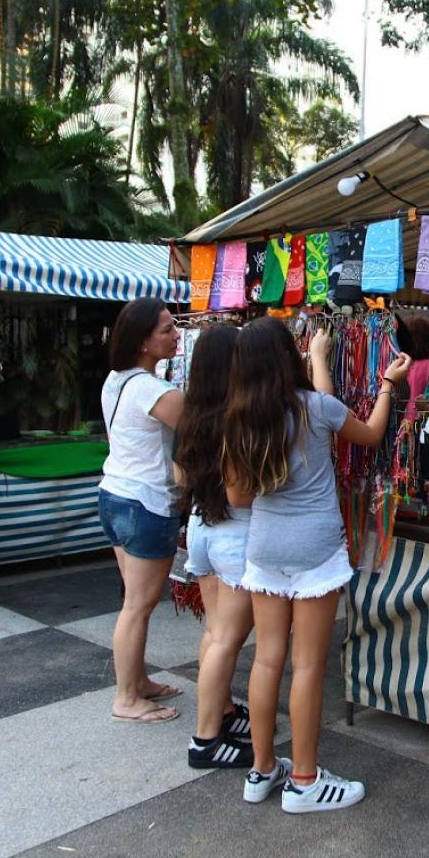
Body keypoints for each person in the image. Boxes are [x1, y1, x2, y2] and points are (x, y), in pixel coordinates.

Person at [223, 317, 410, 813]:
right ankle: (304, 781)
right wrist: (388, 384)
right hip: (315, 549)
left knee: (266, 661)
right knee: (306, 666)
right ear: (290, 356)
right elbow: (368, 434)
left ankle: (261, 771)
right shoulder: (315, 409)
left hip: (264, 548)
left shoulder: (239, 418)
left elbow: (238, 498)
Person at [99, 297, 184, 723]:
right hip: (145, 502)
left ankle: (136, 681)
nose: (175, 335)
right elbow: (204, 424)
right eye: (166, 329)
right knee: (138, 603)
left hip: (114, 494)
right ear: (142, 342)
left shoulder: (116, 380)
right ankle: (127, 697)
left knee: (137, 600)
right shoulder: (155, 391)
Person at [174, 324, 255, 766]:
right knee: (227, 638)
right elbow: (241, 493)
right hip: (234, 532)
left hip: (200, 527)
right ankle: (206, 740)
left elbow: (179, 478)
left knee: (215, 634)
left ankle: (220, 713)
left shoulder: (191, 414)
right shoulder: (236, 417)